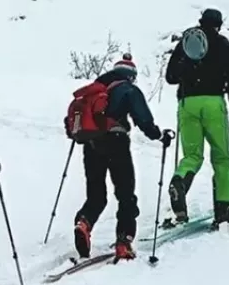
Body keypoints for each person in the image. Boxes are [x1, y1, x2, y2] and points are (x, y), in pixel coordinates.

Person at [69, 54, 165, 261]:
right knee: (125, 194)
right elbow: (143, 119)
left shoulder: (93, 90)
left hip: (91, 144)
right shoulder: (128, 89)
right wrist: (159, 135)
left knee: (96, 195)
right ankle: (124, 242)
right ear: (131, 76)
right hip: (117, 143)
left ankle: (84, 223)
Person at [165, 8, 229, 227]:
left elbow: (170, 77)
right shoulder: (223, 46)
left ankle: (180, 181)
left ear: (201, 22)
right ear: (219, 24)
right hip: (213, 103)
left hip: (187, 103)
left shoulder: (186, 42)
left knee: (192, 155)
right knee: (221, 157)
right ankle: (224, 210)